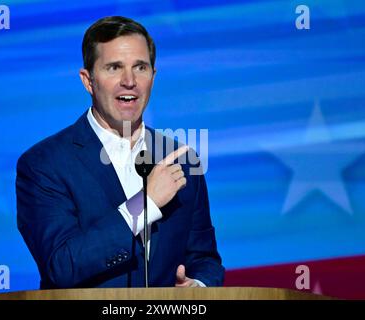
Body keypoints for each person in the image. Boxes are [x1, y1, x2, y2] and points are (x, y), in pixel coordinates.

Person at [16, 16, 224, 289]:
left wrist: (198, 286)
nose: (129, 81)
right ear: (88, 81)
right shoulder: (44, 164)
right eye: (114, 68)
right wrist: (144, 205)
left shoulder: (182, 159)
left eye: (140, 67)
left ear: (153, 76)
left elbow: (205, 259)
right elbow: (61, 266)